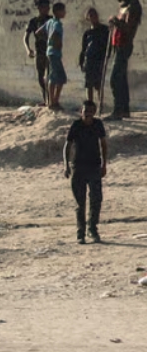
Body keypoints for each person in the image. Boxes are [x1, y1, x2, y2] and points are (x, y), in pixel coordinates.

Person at [64, 99, 108, 244]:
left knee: (96, 199)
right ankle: (80, 233)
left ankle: (92, 229)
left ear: (94, 112)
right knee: (80, 203)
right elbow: (67, 145)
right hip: (78, 168)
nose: (87, 114)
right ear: (81, 112)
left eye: (90, 111)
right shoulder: (76, 126)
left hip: (94, 167)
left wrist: (104, 164)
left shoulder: (98, 125)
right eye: (85, 111)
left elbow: (103, 144)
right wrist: (66, 165)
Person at [107, 0, 141, 120]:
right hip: (118, 45)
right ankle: (124, 109)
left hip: (124, 46)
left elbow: (128, 28)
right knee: (121, 79)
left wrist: (116, 21)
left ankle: (118, 110)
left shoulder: (133, 7)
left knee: (115, 79)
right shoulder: (124, 6)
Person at [78, 7, 109, 107]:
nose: (93, 17)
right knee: (89, 84)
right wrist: (81, 62)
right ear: (88, 18)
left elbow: (109, 45)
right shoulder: (87, 33)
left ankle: (100, 105)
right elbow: (83, 49)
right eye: (91, 16)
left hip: (99, 60)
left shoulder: (104, 30)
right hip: (89, 61)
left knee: (99, 85)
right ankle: (89, 105)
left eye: (94, 15)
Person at [24, 0, 52, 108]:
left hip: (49, 51)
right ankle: (45, 99)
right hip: (39, 51)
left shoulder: (51, 20)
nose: (46, 10)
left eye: (48, 7)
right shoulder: (34, 21)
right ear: (39, 8)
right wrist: (28, 49)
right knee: (41, 77)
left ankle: (50, 100)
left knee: (49, 77)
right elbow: (26, 37)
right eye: (44, 7)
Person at [45, 2, 67, 112]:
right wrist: (54, 43)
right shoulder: (57, 24)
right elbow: (54, 34)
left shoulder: (49, 22)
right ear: (57, 12)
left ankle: (53, 101)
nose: (65, 13)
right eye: (63, 10)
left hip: (50, 52)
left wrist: (48, 43)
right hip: (55, 52)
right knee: (59, 77)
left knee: (55, 76)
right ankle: (53, 101)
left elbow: (39, 32)